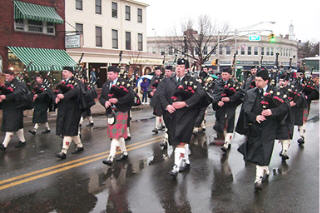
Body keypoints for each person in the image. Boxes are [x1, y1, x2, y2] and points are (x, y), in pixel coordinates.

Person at [237, 69, 288, 190]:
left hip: (269, 127)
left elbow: (285, 107)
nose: (257, 83)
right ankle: (264, 168)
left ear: (267, 81)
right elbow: (246, 110)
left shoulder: (275, 92)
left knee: (264, 150)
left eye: (259, 81)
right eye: (255, 80)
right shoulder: (250, 93)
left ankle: (258, 179)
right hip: (254, 126)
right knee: (255, 152)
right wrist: (255, 117)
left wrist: (272, 111)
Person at [157, 58, 205, 177]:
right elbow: (160, 94)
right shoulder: (167, 81)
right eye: (177, 66)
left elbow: (200, 94)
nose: (178, 68)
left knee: (180, 140)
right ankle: (186, 161)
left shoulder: (192, 81)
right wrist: (167, 106)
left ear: (187, 69)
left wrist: (185, 103)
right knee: (175, 139)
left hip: (187, 115)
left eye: (182, 66)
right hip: (171, 115)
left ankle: (176, 166)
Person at [100, 66, 134, 165]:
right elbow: (102, 97)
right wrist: (105, 102)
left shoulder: (124, 83)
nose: (108, 76)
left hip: (122, 111)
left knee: (115, 134)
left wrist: (118, 101)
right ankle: (124, 153)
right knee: (118, 135)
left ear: (116, 74)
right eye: (108, 74)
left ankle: (111, 157)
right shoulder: (106, 85)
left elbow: (131, 96)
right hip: (111, 112)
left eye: (110, 74)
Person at [55, 67, 84, 159]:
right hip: (64, 109)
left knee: (68, 129)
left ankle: (63, 151)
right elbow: (57, 90)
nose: (63, 73)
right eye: (63, 71)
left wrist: (64, 96)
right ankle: (80, 146)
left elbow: (76, 91)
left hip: (74, 109)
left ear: (71, 73)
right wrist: (57, 97)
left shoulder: (77, 82)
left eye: (65, 71)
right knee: (71, 129)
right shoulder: (62, 82)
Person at [213, 67, 244, 152]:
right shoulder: (217, 82)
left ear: (230, 75)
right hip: (220, 107)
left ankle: (227, 143)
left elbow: (240, 94)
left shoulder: (235, 83)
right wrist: (217, 101)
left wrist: (230, 99)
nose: (224, 76)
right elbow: (213, 94)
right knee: (221, 124)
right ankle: (226, 139)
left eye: (226, 74)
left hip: (230, 106)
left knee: (229, 123)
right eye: (222, 74)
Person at [0, 70, 27, 151]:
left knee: (10, 126)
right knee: (18, 125)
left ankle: (4, 145)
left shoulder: (19, 84)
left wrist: (6, 97)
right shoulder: (6, 84)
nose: (6, 78)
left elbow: (17, 93)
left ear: (12, 76)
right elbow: (5, 91)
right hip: (8, 107)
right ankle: (22, 141)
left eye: (8, 76)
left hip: (16, 107)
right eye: (5, 76)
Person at [148, 66, 165, 134]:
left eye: (158, 71)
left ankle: (157, 126)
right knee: (157, 112)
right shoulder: (153, 78)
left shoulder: (164, 79)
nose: (156, 72)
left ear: (161, 72)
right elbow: (150, 86)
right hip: (155, 98)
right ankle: (160, 125)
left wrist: (157, 90)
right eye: (156, 71)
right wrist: (150, 92)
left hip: (162, 97)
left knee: (160, 112)